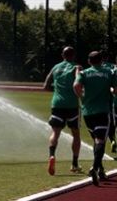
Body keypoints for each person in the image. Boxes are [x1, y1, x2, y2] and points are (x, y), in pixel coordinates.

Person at [73, 51, 116, 186]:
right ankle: (95, 168)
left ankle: (101, 169)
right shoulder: (109, 72)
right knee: (100, 141)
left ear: (89, 61)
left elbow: (76, 86)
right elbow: (115, 90)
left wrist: (82, 97)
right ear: (101, 60)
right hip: (103, 111)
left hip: (88, 112)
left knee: (96, 141)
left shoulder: (84, 73)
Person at [42, 46, 82, 175]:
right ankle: (75, 163)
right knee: (75, 134)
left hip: (57, 104)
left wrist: (57, 91)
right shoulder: (77, 67)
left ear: (62, 55)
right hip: (72, 105)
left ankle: (52, 155)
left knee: (55, 133)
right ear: (74, 55)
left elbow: (45, 86)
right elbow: (80, 84)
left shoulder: (56, 67)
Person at [101, 51, 117, 153]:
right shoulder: (113, 66)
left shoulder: (101, 67)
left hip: (105, 97)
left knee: (109, 121)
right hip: (113, 97)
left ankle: (112, 140)